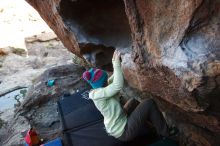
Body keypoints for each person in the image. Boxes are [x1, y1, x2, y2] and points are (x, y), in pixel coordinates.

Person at [82, 50, 169, 142]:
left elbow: (116, 77)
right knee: (149, 103)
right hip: (124, 131)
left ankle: (150, 126)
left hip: (120, 120)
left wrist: (117, 61)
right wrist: (116, 64)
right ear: (101, 82)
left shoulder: (102, 87)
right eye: (105, 78)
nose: (107, 79)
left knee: (133, 102)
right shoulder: (99, 94)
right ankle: (166, 133)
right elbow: (117, 85)